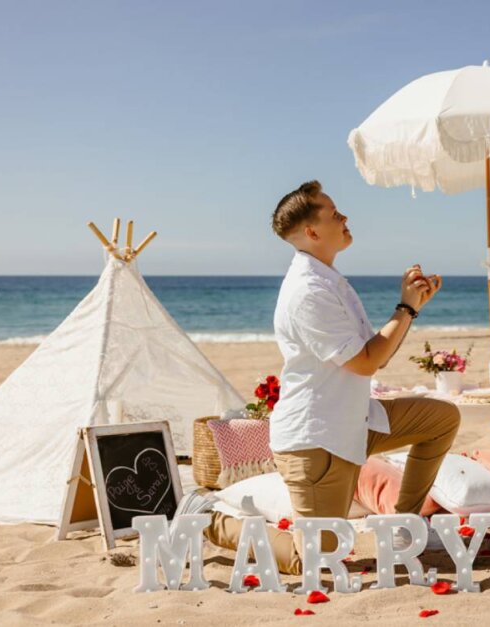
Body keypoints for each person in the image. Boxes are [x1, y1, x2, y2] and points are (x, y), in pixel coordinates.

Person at [177, 180, 461, 574]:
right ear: (312, 232)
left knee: (441, 418)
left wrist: (410, 307)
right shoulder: (308, 291)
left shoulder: (329, 279)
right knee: (312, 558)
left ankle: (403, 525)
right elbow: (365, 362)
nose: (345, 218)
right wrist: (406, 308)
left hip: (355, 419)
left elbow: (369, 353)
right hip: (316, 440)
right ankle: (209, 517)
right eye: (334, 213)